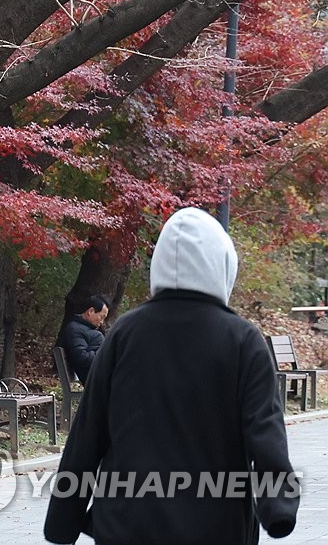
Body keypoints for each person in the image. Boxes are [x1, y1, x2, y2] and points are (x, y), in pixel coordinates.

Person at [44, 207, 300, 545]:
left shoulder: (125, 334)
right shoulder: (242, 340)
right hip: (215, 522)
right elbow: (264, 430)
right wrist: (278, 505)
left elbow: (89, 431)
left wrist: (63, 519)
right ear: (223, 265)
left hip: (128, 521)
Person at [59, 294, 109, 384]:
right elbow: (81, 358)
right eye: (101, 317)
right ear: (90, 311)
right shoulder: (75, 329)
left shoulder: (85, 329)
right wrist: (105, 354)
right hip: (97, 380)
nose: (102, 322)